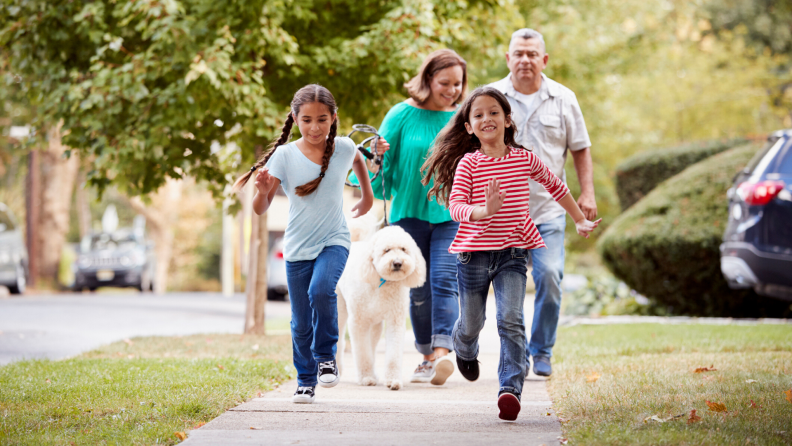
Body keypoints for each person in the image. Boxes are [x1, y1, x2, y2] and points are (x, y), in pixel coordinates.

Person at [421, 87, 600, 420]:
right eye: (478, 115)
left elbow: (556, 185)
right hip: (473, 255)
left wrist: (578, 219)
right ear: (469, 127)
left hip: (513, 254)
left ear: (506, 119)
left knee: (511, 320)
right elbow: (456, 206)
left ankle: (510, 389)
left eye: (493, 112)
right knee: (472, 322)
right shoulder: (468, 163)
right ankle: (465, 348)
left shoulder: (523, 158)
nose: (487, 118)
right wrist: (483, 210)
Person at [233, 84, 385, 404]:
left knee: (321, 290)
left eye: (321, 119)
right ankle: (305, 380)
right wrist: (261, 191)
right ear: (295, 118)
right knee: (301, 321)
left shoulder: (343, 147)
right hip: (298, 248)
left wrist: (367, 196)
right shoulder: (284, 156)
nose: (314, 127)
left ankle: (326, 357)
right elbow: (261, 208)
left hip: (335, 239)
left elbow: (359, 161)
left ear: (333, 118)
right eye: (306, 120)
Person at [352, 49, 468, 385]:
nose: (452, 90)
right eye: (444, 82)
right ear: (428, 79)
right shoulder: (401, 114)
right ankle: (426, 357)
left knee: (445, 281)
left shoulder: (462, 117)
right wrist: (375, 157)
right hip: (408, 217)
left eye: (457, 84)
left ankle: (443, 353)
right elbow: (381, 176)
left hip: (450, 214)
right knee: (417, 290)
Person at [489, 29, 597, 377]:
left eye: (532, 54)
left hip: (550, 209)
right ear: (508, 58)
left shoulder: (564, 98)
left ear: (544, 60)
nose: (525, 59)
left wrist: (587, 193)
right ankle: (516, 356)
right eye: (518, 53)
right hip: (504, 214)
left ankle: (543, 350)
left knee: (550, 276)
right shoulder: (492, 99)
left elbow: (580, 147)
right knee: (508, 289)